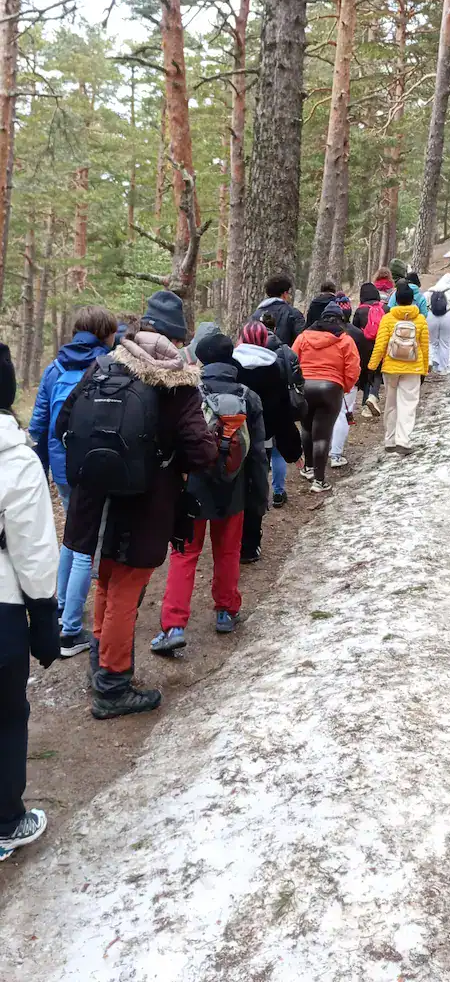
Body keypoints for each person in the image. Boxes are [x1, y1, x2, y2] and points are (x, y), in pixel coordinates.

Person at [56, 291, 218, 719]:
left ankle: (100, 664)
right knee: (126, 590)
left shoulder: (104, 364)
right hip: (146, 504)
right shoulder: (177, 381)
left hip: (96, 498)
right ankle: (112, 686)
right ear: (177, 338)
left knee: (107, 581)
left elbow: (62, 424)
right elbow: (201, 451)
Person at [151, 334, 268, 655]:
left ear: (200, 360)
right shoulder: (248, 396)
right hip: (234, 490)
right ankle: (226, 612)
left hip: (192, 488)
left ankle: (174, 626)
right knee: (228, 552)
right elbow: (257, 455)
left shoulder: (188, 394)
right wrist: (259, 497)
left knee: (184, 554)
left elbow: (172, 446)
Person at [29, 305, 118, 658]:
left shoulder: (55, 368)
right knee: (85, 545)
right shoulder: (106, 366)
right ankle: (70, 631)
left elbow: (39, 423)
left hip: (62, 466)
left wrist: (41, 469)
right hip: (92, 466)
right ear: (104, 333)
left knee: (71, 535)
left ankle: (62, 606)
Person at [0, 344, 60, 861]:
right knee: (6, 714)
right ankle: (5, 822)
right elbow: (34, 550)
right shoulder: (16, 460)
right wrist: (44, 616)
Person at [233, 321, 302, 558]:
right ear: (264, 340)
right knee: (256, 489)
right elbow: (283, 410)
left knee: (234, 487)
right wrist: (292, 448)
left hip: (232, 436)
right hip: (263, 438)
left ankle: (231, 541)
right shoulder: (273, 367)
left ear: (242, 338)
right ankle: (250, 544)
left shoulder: (232, 364)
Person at [292, 302, 359, 492]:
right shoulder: (345, 340)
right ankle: (319, 481)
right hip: (331, 388)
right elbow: (353, 368)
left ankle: (308, 467)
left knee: (307, 428)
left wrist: (296, 384)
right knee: (322, 434)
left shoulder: (303, 337)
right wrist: (344, 387)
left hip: (306, 386)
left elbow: (292, 360)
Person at [368, 281, 429, 455]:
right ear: (412, 300)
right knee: (408, 404)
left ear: (396, 300)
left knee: (391, 403)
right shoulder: (420, 320)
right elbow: (425, 347)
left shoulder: (388, 319)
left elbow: (380, 345)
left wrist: (372, 367)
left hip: (391, 367)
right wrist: (424, 369)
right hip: (413, 368)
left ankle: (390, 440)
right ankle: (403, 440)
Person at [258, 311, 306, 507]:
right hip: (281, 406)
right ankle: (278, 492)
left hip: (258, 409)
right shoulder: (286, 351)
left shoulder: (249, 352)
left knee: (260, 453)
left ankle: (260, 494)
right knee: (278, 451)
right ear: (275, 328)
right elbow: (298, 378)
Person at [328, 293, 364, 467]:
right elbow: (360, 360)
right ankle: (335, 453)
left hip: (326, 379)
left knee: (327, 415)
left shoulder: (319, 334)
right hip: (348, 382)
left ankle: (323, 450)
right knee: (343, 414)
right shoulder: (356, 334)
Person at [352, 282, 387, 418]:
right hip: (382, 345)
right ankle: (372, 397)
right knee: (378, 373)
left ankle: (366, 403)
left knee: (367, 373)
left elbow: (355, 330)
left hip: (365, 347)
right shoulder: (386, 308)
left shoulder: (360, 310)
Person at [424, 272, 450, 374]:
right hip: (447, 317)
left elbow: (423, 306)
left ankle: (431, 361)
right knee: (445, 343)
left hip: (431, 316)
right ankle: (443, 368)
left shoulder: (429, 292)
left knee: (432, 342)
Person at [252, 273, 305, 347]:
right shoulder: (293, 314)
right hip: (285, 353)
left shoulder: (256, 315)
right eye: (289, 293)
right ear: (284, 294)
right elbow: (301, 341)